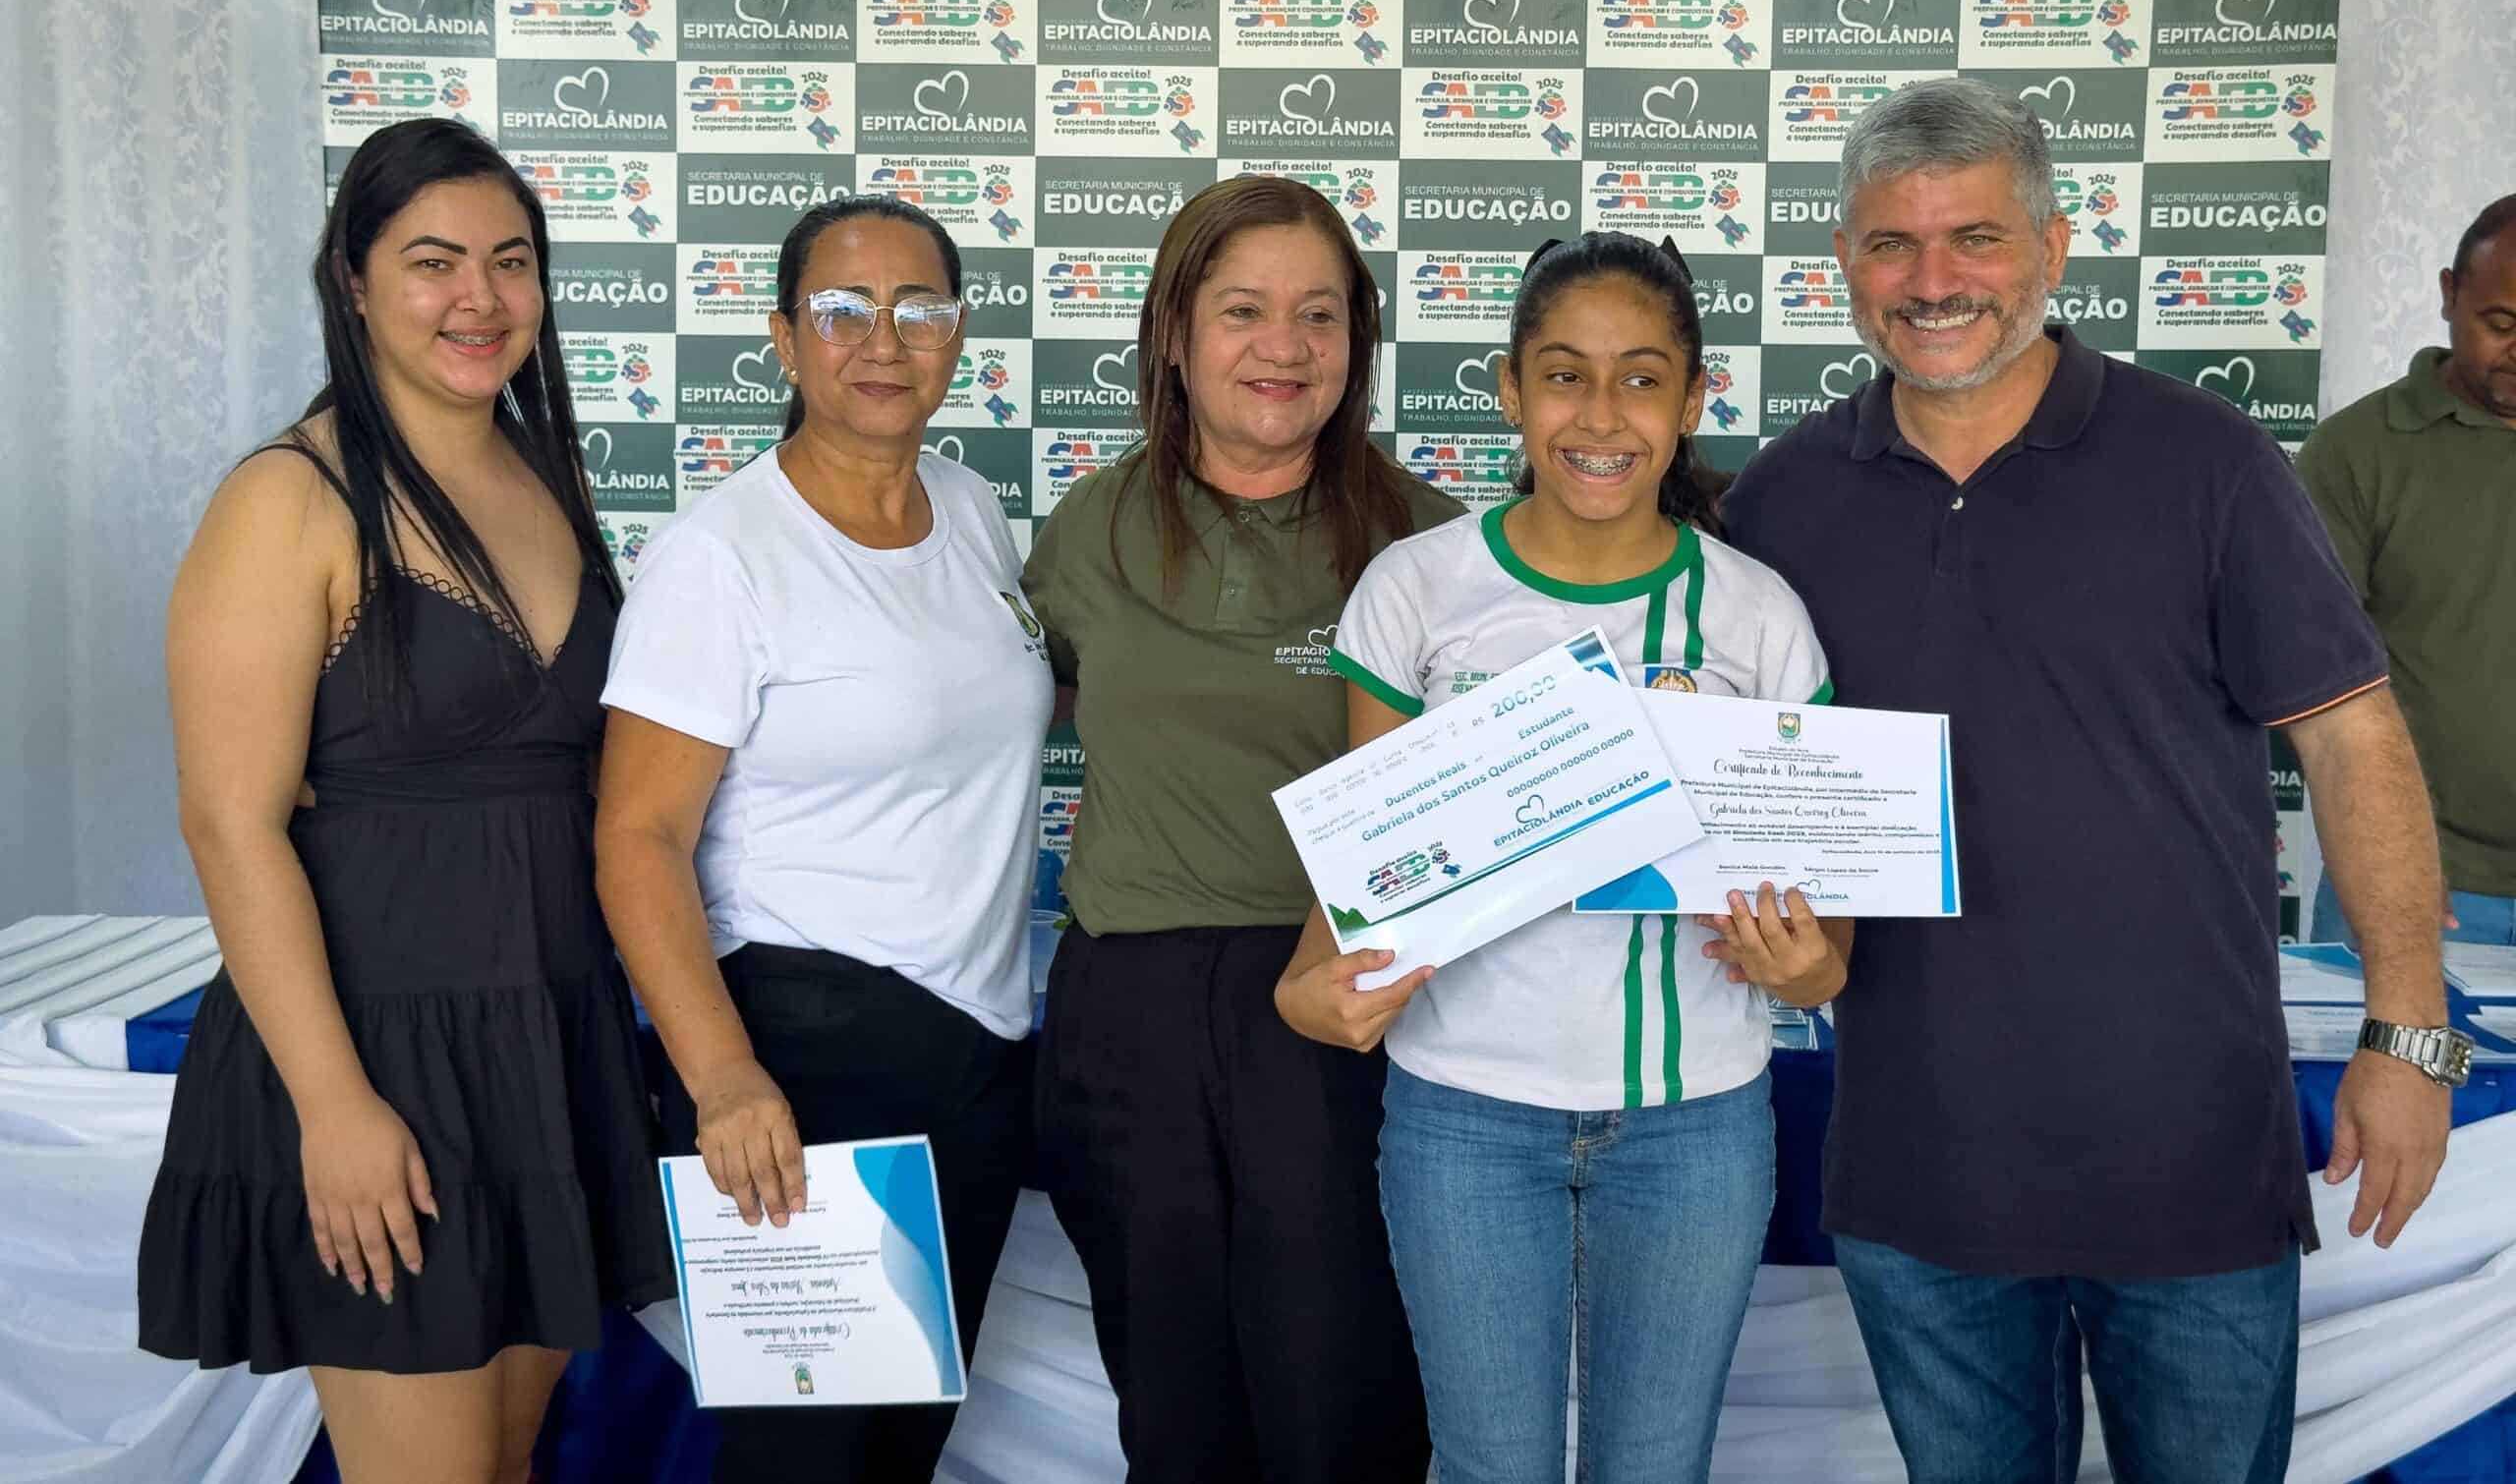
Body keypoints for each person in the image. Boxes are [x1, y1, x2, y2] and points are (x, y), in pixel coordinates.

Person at [1721, 77, 2458, 1484]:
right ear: (1844, 263)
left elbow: (2352, 737)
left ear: (2054, 249)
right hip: (1919, 1173)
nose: (1933, 281)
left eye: (1976, 238)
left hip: (2189, 1165)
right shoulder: (1782, 497)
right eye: (1892, 244)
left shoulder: (2208, 460)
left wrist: (2409, 1034)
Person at [137, 116, 672, 1484]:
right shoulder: (289, 498)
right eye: (434, 262)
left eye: (510, 262)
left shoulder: (543, 474)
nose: (478, 298)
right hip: (376, 1055)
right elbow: (229, 822)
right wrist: (333, 1106)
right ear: (354, 280)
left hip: (547, 1045)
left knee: (504, 1464)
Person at [1277, 232, 1846, 1484]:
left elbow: (1825, 946)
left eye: (1641, 378)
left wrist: (1807, 970)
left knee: (1655, 1469)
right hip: (1462, 1120)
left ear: (1693, 401)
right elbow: (1364, 879)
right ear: (1509, 390)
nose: (1599, 416)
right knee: (1490, 1469)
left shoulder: (1755, 614)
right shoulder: (1416, 589)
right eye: (1563, 376)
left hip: (1693, 1126)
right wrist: (1307, 992)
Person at [593, 196, 1052, 1482]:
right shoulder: (721, 554)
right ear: (785, 337)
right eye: (844, 310)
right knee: (806, 1461)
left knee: (897, 1450)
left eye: (919, 308)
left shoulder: (970, 507)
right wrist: (726, 1076)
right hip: (805, 1057)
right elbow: (637, 835)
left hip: (973, 1055)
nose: (884, 340)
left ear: (959, 332)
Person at [1020, 174, 1457, 1483]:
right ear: (1173, 331)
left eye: (1319, 314)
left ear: (1357, 342)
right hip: (1130, 1009)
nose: (1285, 346)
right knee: (1174, 1409)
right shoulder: (1086, 529)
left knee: (1344, 1402)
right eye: (1243, 310)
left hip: (1343, 1005)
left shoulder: (1430, 545)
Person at [2297, 194, 2516, 946]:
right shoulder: (2357, 453)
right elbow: (2309, 677)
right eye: (2501, 323)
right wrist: (2391, 850)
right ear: (2450, 293)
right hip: (2420, 881)